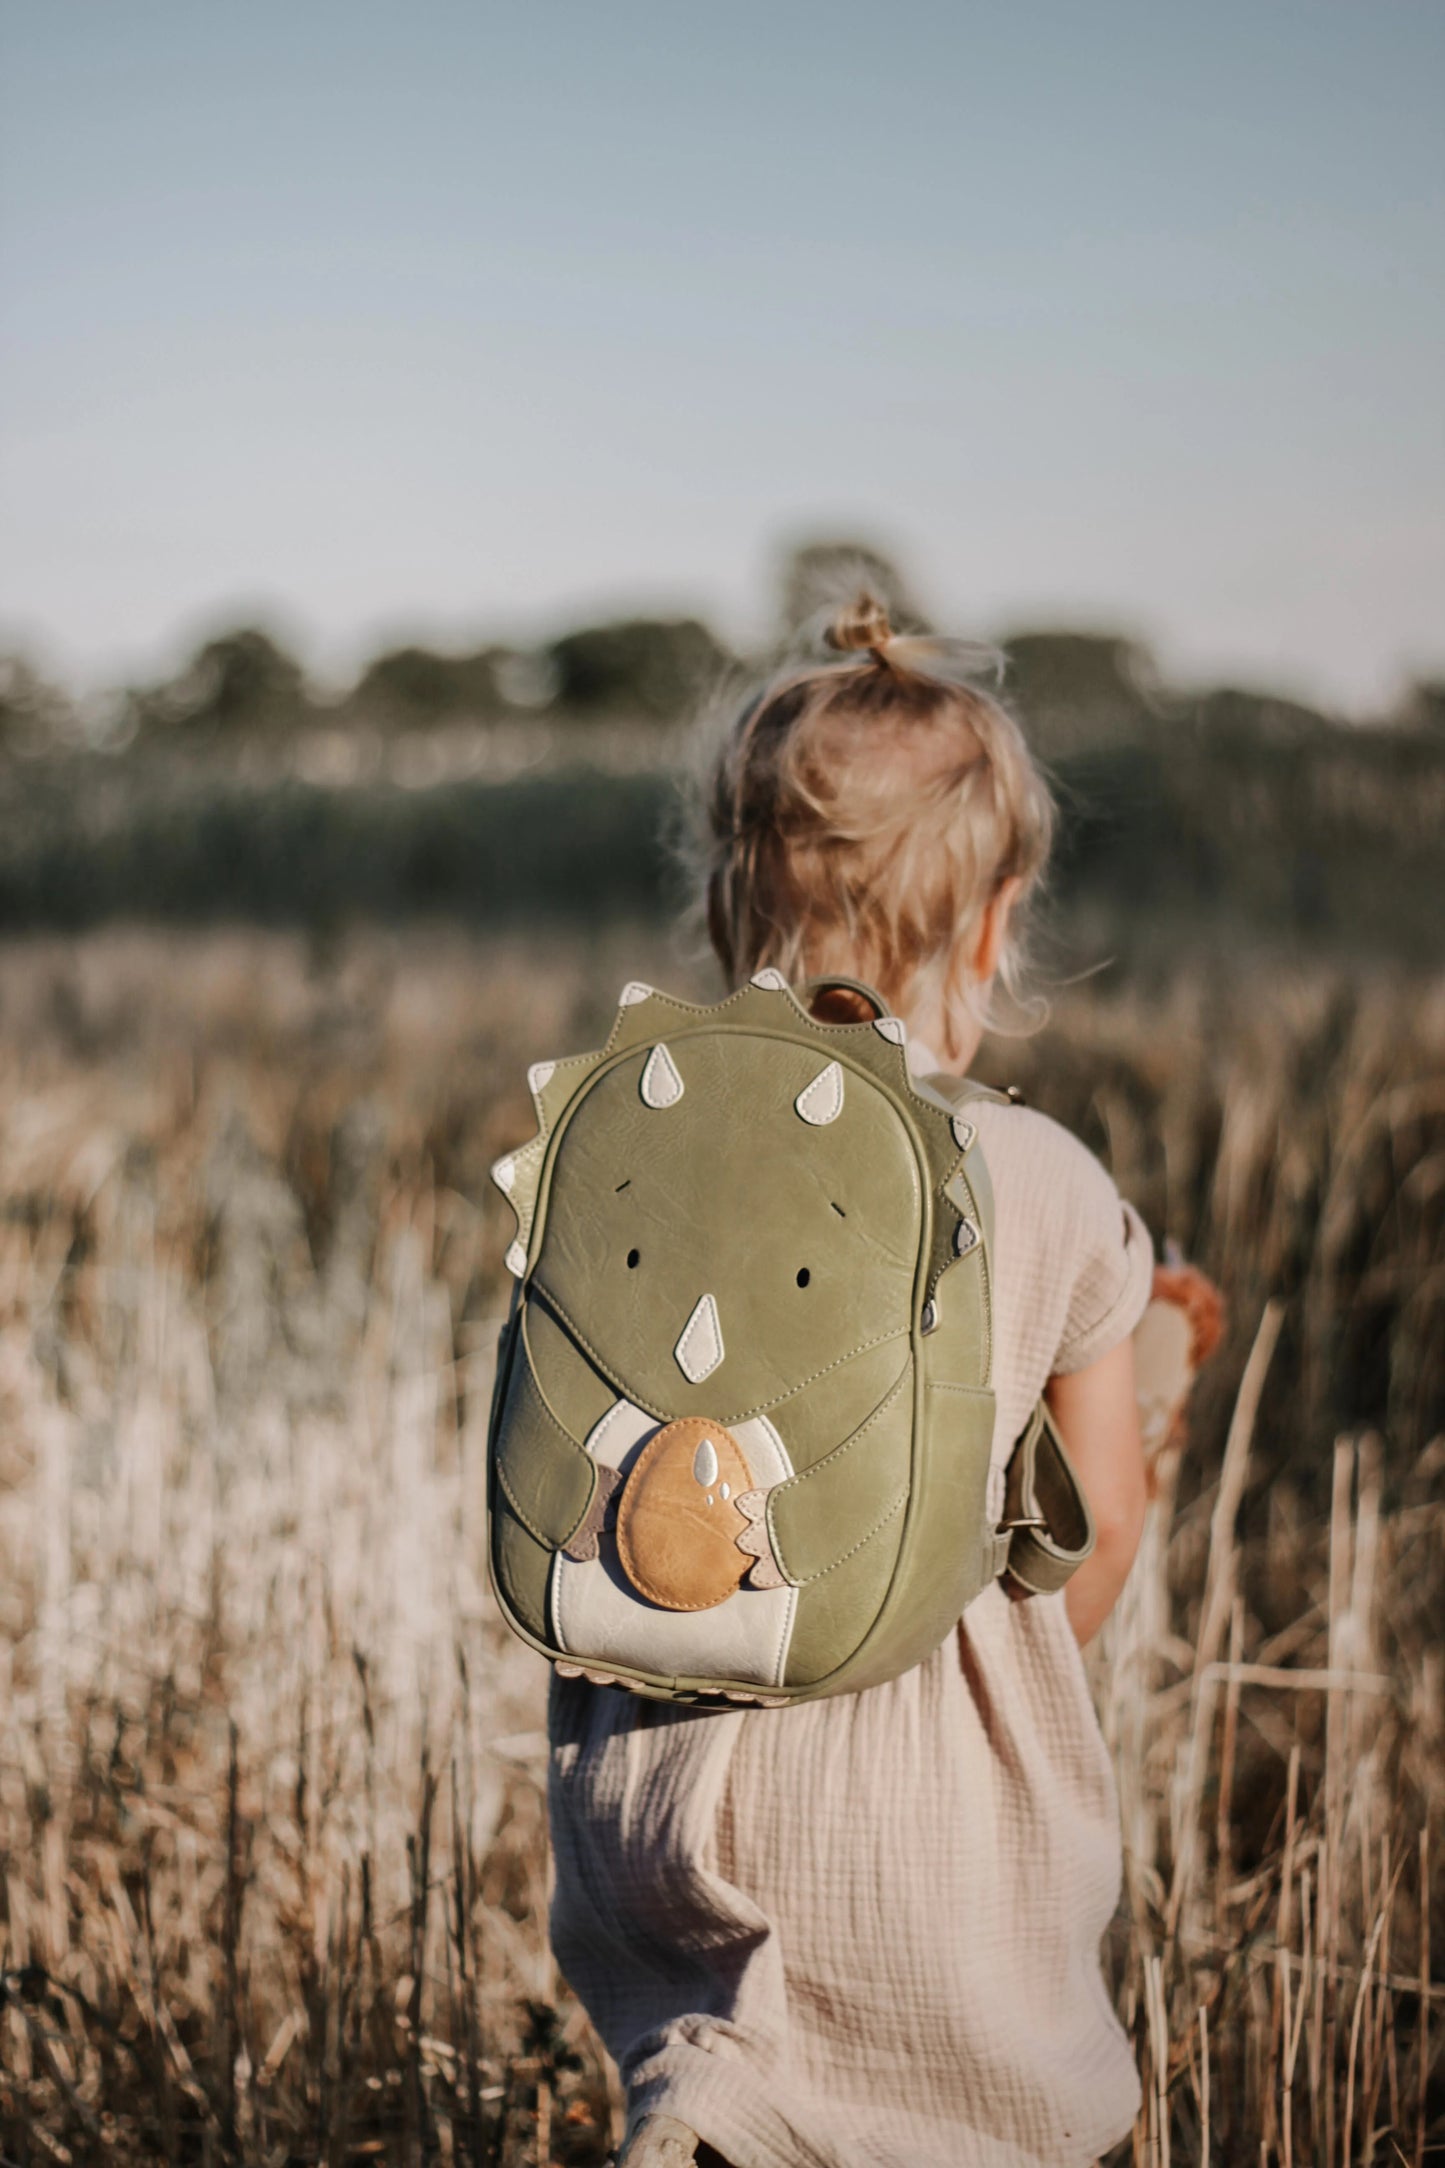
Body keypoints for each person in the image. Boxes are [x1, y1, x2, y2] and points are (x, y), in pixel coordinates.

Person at [546, 595, 1172, 2168]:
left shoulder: (625, 1153)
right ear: (995, 915)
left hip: (664, 1810)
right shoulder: (1037, 1174)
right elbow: (1090, 1540)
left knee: (717, 2103)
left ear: (720, 894)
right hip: (924, 1851)